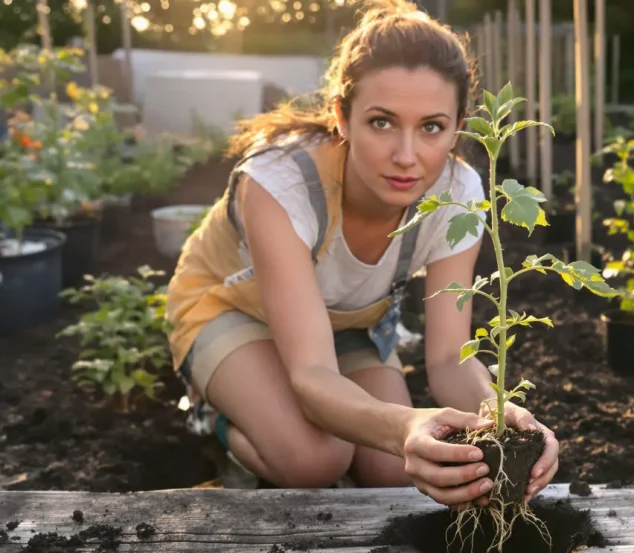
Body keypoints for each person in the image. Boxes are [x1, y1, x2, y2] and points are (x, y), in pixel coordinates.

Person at [164, 0, 558, 507]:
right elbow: (312, 373)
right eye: (381, 122)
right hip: (230, 308)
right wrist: (404, 424)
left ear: (460, 125)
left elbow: (445, 359)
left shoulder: (459, 194)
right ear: (341, 117)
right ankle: (211, 417)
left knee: (394, 468)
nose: (406, 155)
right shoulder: (281, 182)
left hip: (344, 325)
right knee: (314, 460)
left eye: (432, 127)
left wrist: (503, 415)